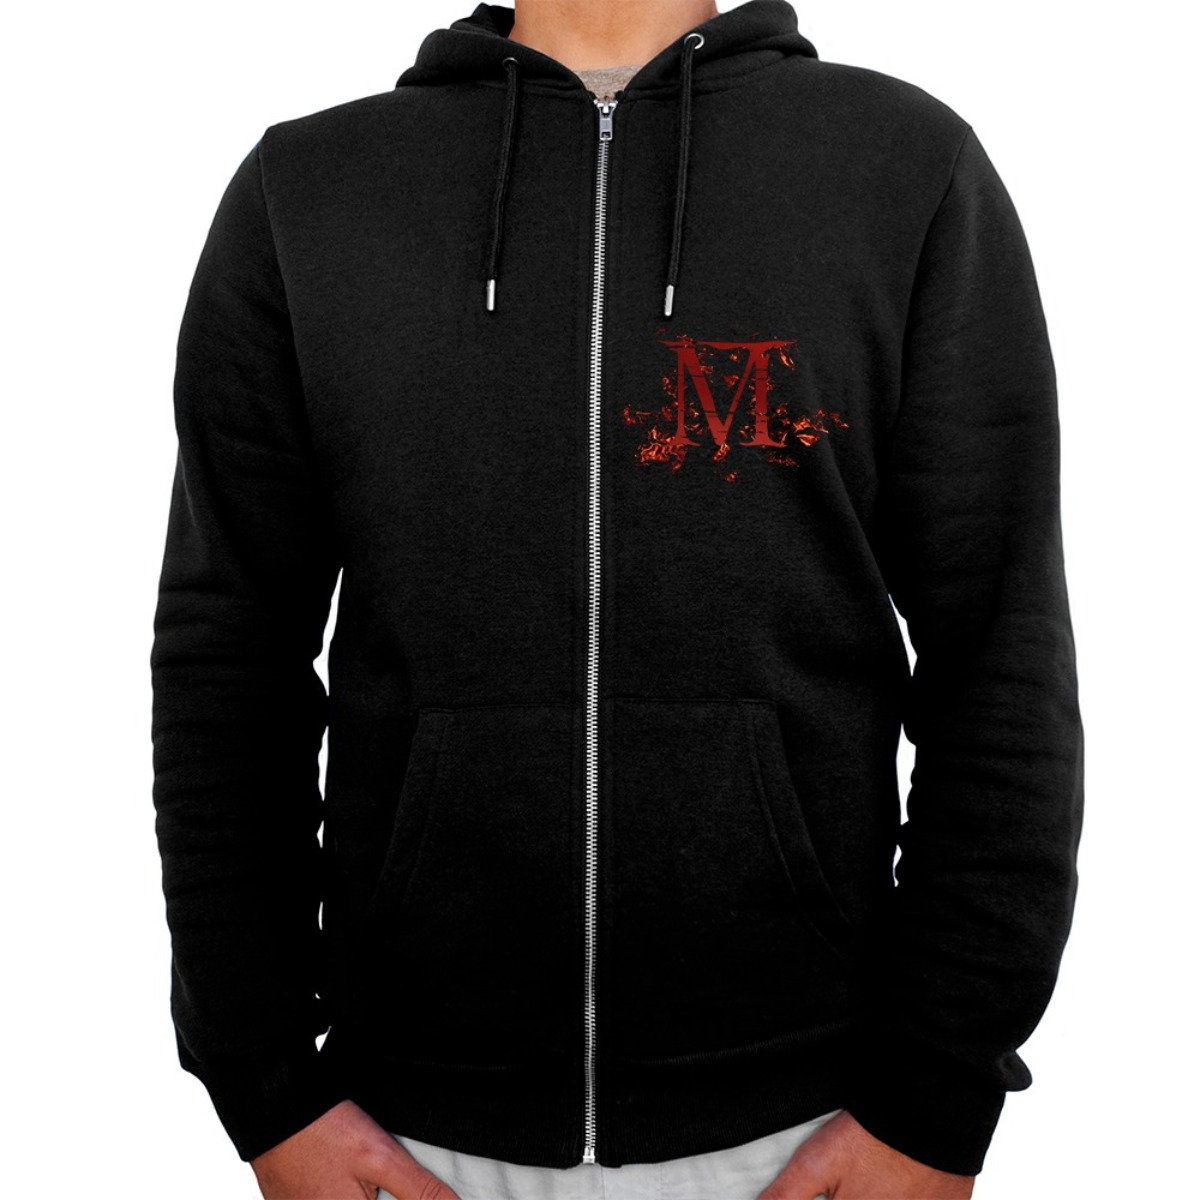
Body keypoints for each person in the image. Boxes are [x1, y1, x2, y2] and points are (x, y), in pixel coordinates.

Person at [149, 1, 1085, 1197]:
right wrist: (268, 1086)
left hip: (810, 1125)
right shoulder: (311, 189)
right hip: (410, 1133)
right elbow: (230, 659)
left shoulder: (901, 169)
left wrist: (933, 1099)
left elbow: (999, 652)